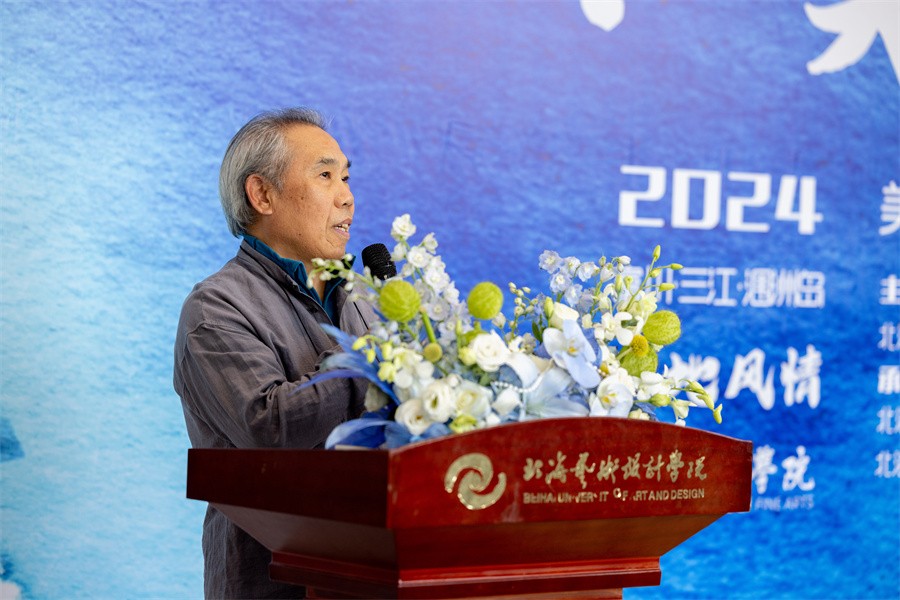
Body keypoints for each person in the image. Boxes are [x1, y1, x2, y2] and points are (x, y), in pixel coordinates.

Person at [173, 108, 375, 599]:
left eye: (346, 177)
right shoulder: (215, 308)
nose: (346, 196)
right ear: (262, 195)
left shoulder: (366, 299)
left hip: (374, 569)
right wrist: (376, 360)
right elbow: (272, 427)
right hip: (276, 581)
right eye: (325, 176)